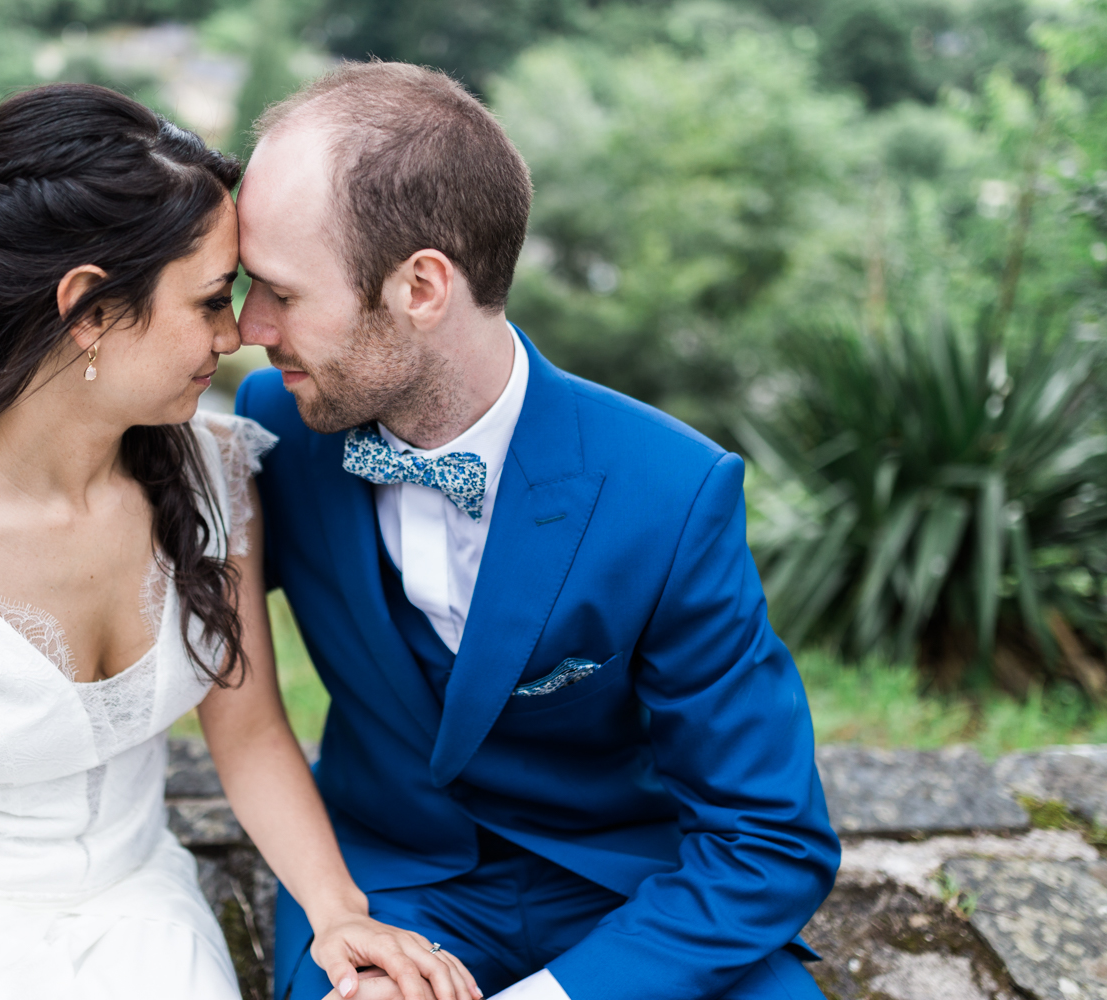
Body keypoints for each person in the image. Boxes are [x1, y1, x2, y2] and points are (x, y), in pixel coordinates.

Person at [0, 83, 479, 1000]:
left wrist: (338, 911)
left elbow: (252, 734)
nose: (237, 333)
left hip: (143, 918)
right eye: (210, 300)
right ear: (89, 310)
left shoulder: (215, 474)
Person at [232, 63, 842, 1000]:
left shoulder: (670, 492)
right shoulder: (276, 427)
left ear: (421, 287)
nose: (249, 326)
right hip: (390, 883)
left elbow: (769, 836)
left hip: (621, 894)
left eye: (281, 292)